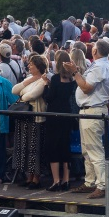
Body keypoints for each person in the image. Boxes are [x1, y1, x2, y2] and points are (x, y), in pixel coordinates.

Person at [70, 38, 109, 198]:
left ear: (95, 51)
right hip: (88, 111)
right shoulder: (99, 65)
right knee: (87, 149)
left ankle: (101, 185)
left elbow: (87, 88)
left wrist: (75, 72)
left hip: (93, 110)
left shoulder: (100, 66)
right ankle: (90, 181)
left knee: (94, 150)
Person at [12, 54, 49, 189]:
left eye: (31, 64)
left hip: (36, 119)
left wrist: (22, 96)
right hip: (24, 117)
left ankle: (36, 179)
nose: (28, 66)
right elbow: (14, 89)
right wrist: (28, 81)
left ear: (38, 66)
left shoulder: (43, 81)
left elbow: (32, 95)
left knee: (34, 148)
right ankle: (29, 177)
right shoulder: (30, 79)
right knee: (25, 148)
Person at [43, 51, 76, 191]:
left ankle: (56, 180)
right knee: (65, 146)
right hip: (67, 114)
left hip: (54, 115)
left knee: (53, 147)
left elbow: (49, 98)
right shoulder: (72, 80)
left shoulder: (56, 79)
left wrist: (46, 85)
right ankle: (66, 180)